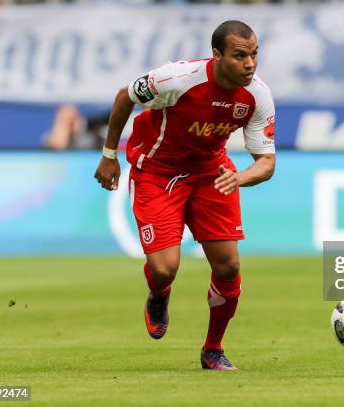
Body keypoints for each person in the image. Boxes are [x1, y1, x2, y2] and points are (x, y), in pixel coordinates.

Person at [93, 20, 276, 371]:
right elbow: (124, 96)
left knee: (229, 265)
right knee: (164, 269)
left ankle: (213, 349)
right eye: (240, 56)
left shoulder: (258, 96)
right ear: (217, 55)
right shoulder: (177, 79)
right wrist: (109, 154)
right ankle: (159, 293)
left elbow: (266, 162)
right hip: (158, 173)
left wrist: (239, 178)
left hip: (212, 174)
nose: (250, 64)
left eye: (254, 55)